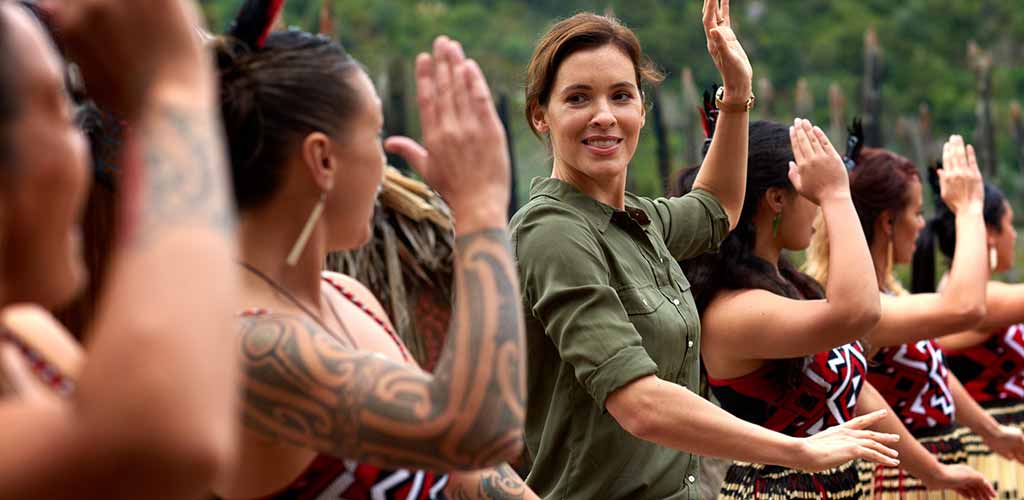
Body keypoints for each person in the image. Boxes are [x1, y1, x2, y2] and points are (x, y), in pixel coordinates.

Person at [510, 3, 900, 499]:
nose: (604, 116)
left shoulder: (639, 222)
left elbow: (717, 206)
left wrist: (736, 97)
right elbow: (639, 403)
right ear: (540, 115)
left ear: (642, 111)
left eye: (621, 95)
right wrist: (798, 449)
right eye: (578, 98)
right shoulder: (555, 235)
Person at [206, 1, 533, 498]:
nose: (384, 162)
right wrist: (480, 208)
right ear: (322, 159)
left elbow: (470, 476)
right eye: (374, 134)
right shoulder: (248, 344)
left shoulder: (348, 295)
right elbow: (479, 434)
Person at [0, 0, 242, 497]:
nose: (82, 148)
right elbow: (158, 440)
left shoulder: (26, 338)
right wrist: (172, 86)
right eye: (63, 112)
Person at [679, 119, 991, 499]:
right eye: (810, 196)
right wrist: (836, 195)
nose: (817, 212)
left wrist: (935, 472)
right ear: (777, 199)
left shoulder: (792, 291)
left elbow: (856, 394)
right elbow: (858, 314)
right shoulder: (735, 311)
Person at [804, 133, 1018, 498]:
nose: (922, 225)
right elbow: (966, 308)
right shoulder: (860, 311)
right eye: (916, 213)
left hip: (927, 476)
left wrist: (992, 432)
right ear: (887, 223)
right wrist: (968, 207)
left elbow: (937, 374)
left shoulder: (887, 297)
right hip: (899, 482)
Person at [913, 174, 1024, 493]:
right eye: (1010, 224)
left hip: (999, 451)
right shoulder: (982, 300)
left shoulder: (974, 294)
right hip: (993, 459)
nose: (1014, 236)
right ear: (988, 233)